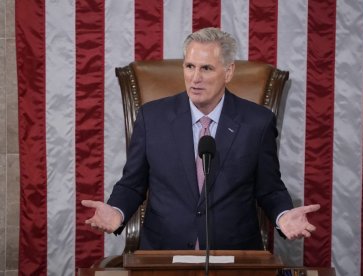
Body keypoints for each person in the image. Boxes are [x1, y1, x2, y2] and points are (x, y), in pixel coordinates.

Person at [82, 27, 320, 250]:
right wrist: (117, 211)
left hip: (234, 255)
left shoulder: (257, 122)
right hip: (164, 254)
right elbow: (132, 184)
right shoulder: (152, 118)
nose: (195, 78)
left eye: (206, 68)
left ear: (228, 72)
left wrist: (283, 215)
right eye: (189, 66)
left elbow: (269, 189)